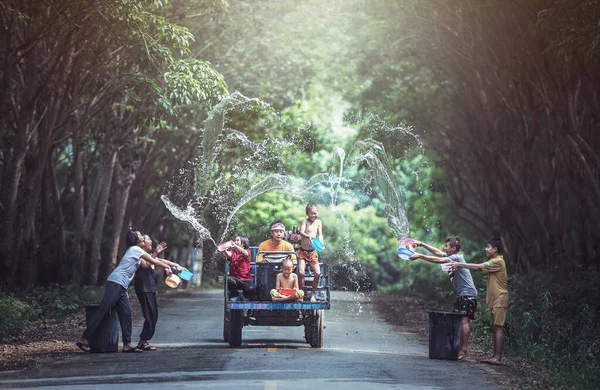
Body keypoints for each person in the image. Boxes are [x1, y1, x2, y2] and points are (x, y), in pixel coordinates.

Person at [76, 230, 177, 353]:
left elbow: (146, 264)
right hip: (116, 282)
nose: (143, 239)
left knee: (126, 314)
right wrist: (167, 267)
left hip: (122, 286)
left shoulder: (136, 252)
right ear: (136, 240)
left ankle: (127, 344)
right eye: (141, 236)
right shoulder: (135, 249)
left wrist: (168, 263)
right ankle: (84, 338)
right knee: (103, 310)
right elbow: (153, 261)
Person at [410, 237, 478, 360]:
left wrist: (420, 256)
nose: (444, 248)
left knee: (464, 321)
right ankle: (461, 349)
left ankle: (463, 350)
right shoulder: (452, 256)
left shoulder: (456, 257)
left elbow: (437, 259)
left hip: (467, 294)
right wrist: (421, 244)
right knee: (462, 320)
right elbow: (437, 253)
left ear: (453, 248)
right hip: (463, 294)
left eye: (446, 246)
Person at [448, 237, 508, 365]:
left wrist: (460, 264)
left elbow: (478, 267)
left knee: (498, 327)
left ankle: (497, 357)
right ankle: (495, 356)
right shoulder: (494, 261)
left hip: (500, 298)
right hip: (495, 299)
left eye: (488, 247)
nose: (486, 249)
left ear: (495, 249)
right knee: (494, 327)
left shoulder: (498, 262)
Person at [134, 234, 181, 351]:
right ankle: (143, 341)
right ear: (142, 243)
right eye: (148, 239)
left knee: (153, 315)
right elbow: (145, 264)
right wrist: (156, 252)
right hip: (143, 288)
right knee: (149, 316)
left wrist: (176, 265)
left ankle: (144, 341)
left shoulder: (149, 255)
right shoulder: (138, 254)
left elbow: (159, 260)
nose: (151, 241)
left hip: (150, 288)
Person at [297, 203, 323, 303]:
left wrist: (321, 242)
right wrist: (308, 237)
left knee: (317, 273)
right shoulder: (305, 221)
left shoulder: (319, 222)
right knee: (301, 272)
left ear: (318, 212)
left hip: (312, 253)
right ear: (307, 213)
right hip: (303, 252)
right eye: (311, 214)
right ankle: (301, 294)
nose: (314, 216)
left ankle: (312, 295)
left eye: (315, 213)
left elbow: (320, 234)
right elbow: (301, 232)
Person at [224, 236, 255, 300]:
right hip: (235, 279)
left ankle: (245, 298)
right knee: (228, 279)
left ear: (243, 243)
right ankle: (234, 295)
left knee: (251, 289)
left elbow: (245, 253)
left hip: (246, 279)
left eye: (238, 240)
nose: (235, 242)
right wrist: (223, 249)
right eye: (235, 240)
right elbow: (228, 254)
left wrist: (234, 245)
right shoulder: (233, 252)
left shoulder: (247, 251)